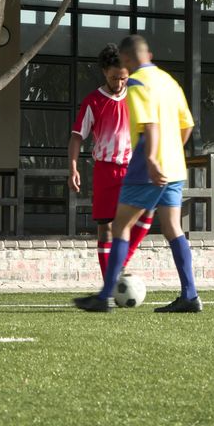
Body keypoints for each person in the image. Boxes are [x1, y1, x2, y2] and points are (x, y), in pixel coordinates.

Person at [74, 35, 200, 313]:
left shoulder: (137, 83)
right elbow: (187, 124)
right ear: (149, 53)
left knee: (119, 227)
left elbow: (150, 125)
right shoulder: (168, 80)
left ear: (128, 60)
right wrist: (169, 153)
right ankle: (190, 295)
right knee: (172, 228)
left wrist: (153, 159)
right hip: (175, 167)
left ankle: (105, 296)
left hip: (146, 166)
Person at [68, 44, 153, 277]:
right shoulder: (92, 101)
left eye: (123, 78)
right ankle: (110, 282)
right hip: (105, 171)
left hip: (133, 169)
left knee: (148, 210)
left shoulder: (136, 95)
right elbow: (76, 138)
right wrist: (73, 167)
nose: (119, 83)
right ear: (105, 72)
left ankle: (122, 262)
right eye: (115, 78)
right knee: (105, 228)